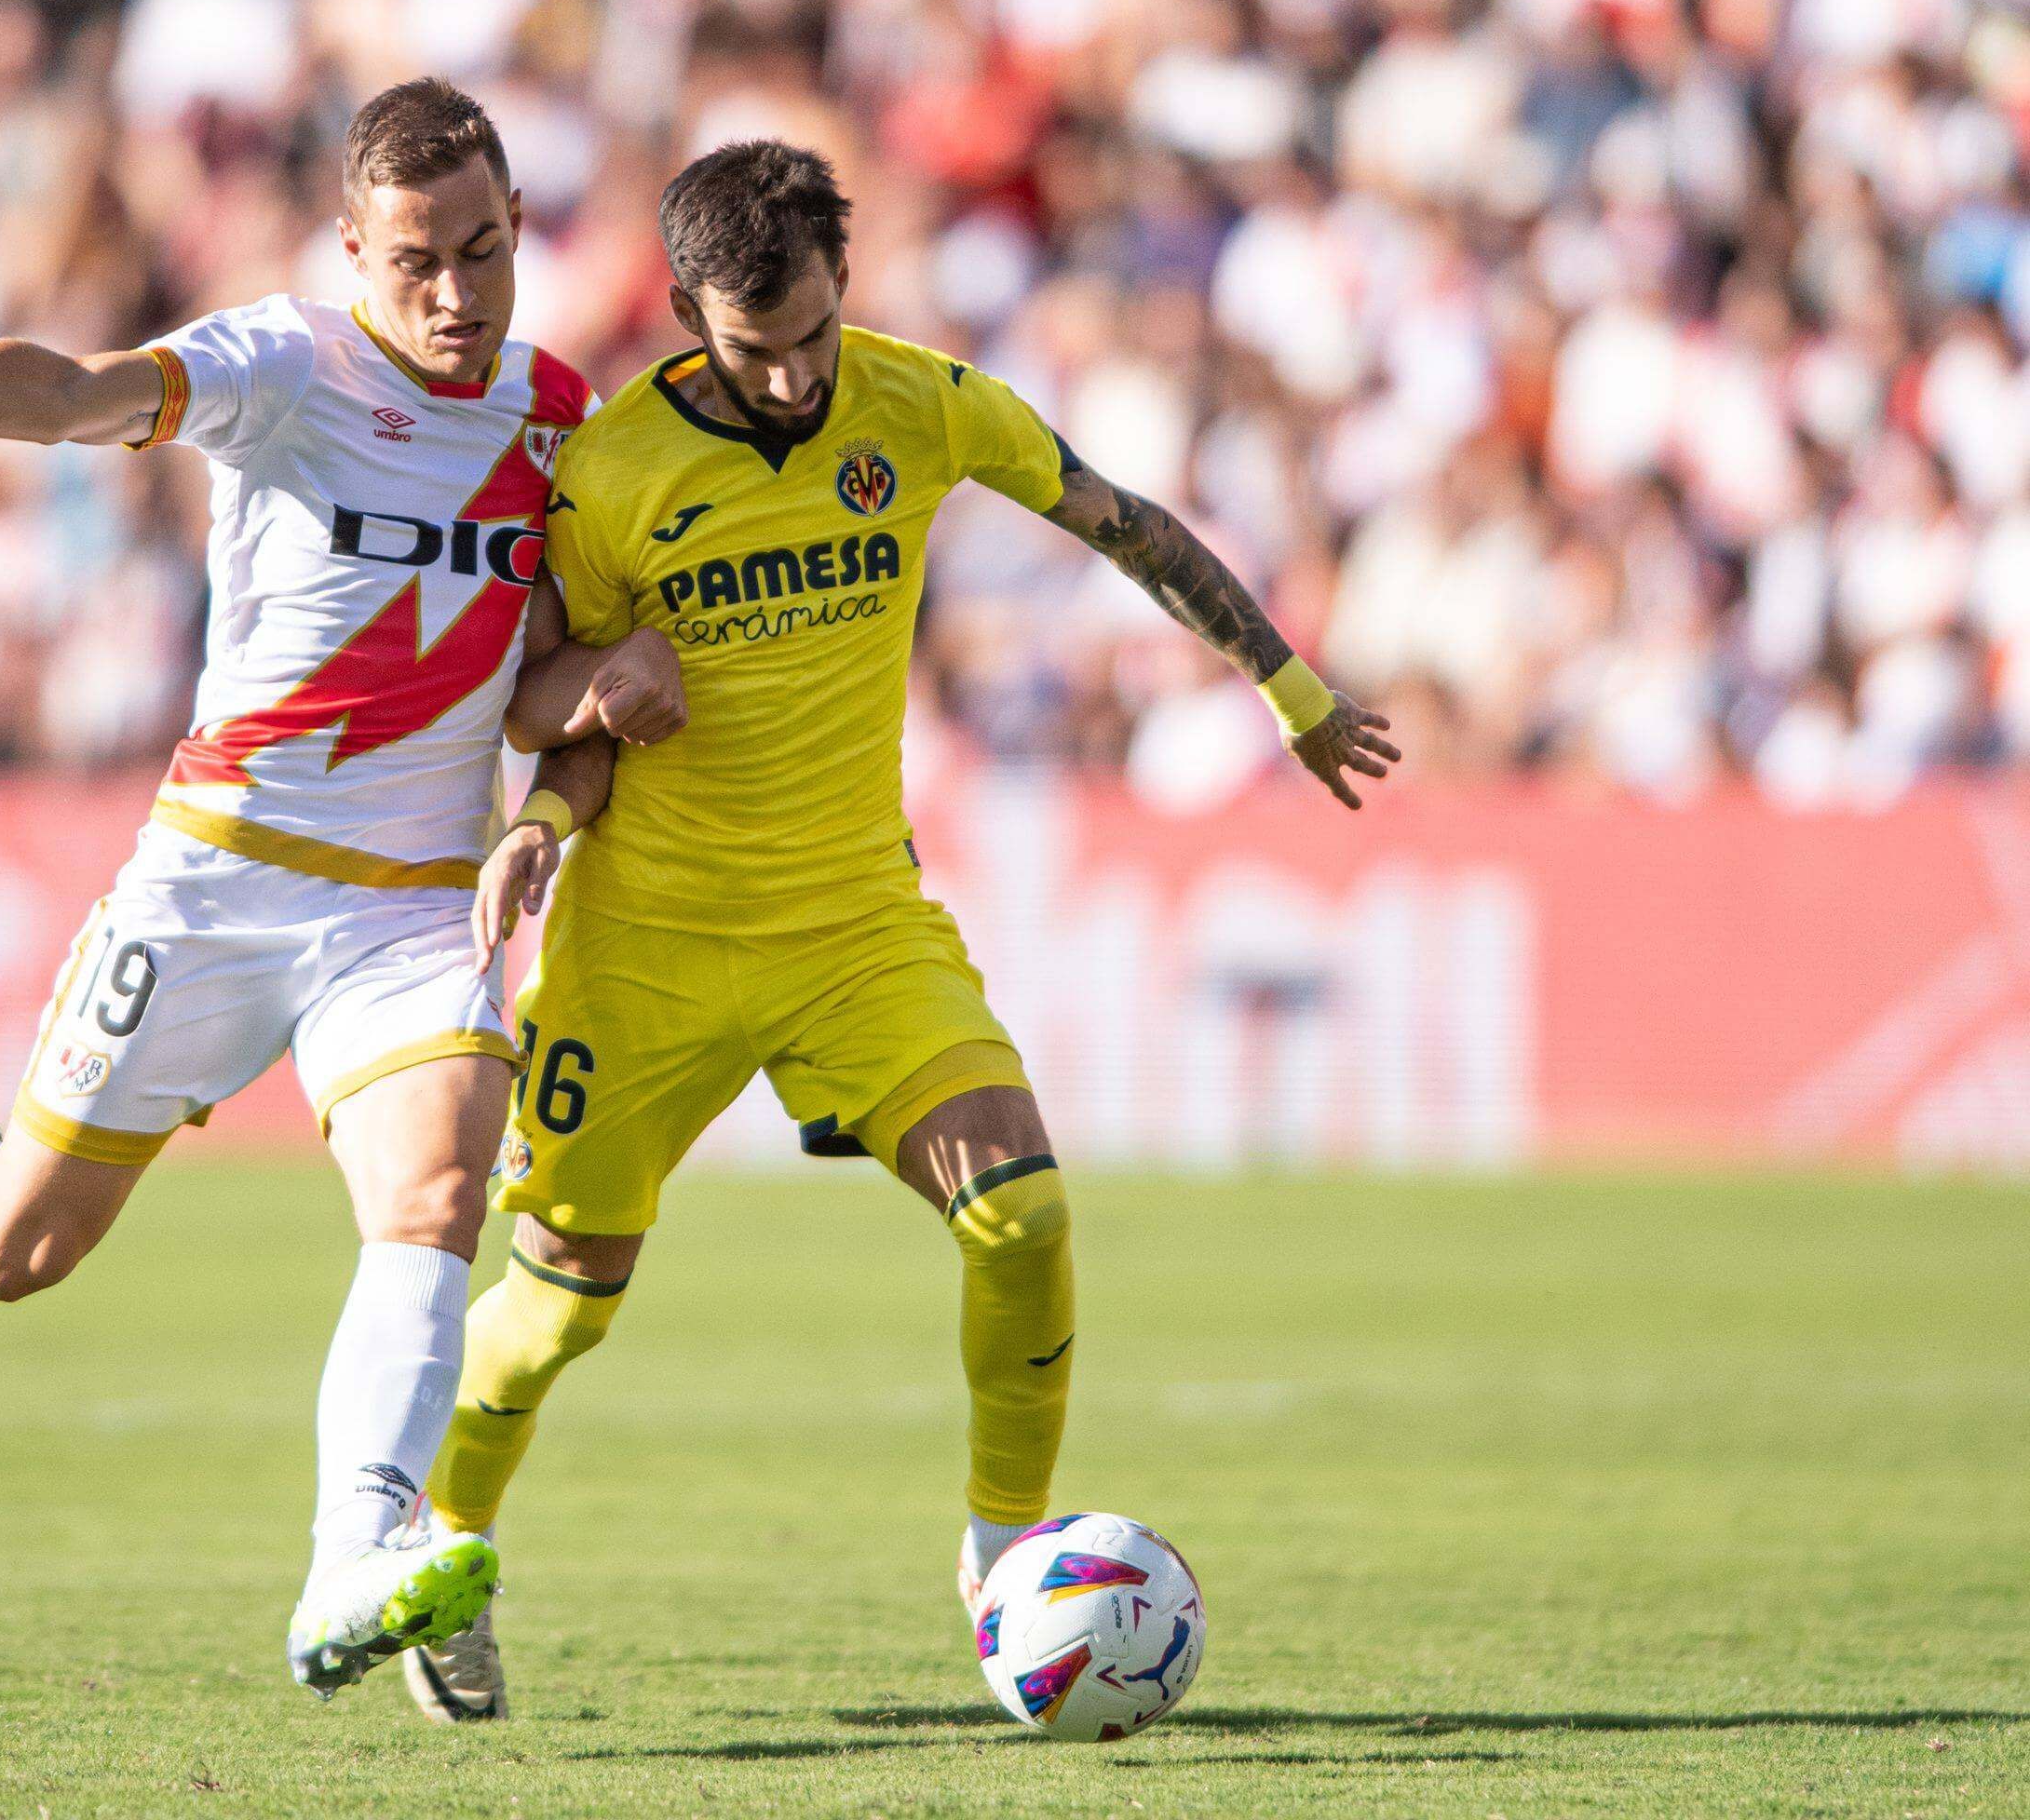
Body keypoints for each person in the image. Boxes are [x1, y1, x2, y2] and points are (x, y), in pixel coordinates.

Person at [399, 140, 1397, 1724]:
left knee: (1026, 1217)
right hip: (646, 943)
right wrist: (547, 800)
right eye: (757, 349)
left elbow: (1125, 523)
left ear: (842, 286)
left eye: (814, 334)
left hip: (857, 923)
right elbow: (545, 706)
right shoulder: (613, 472)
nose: (796, 378)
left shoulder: (920, 403)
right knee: (556, 1312)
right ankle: (440, 1549)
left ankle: (1007, 1561)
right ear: (690, 316)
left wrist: (1289, 688)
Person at [0, 78, 680, 1699]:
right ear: (353, 252)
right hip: (216, 886)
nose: (457, 293)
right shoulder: (282, 365)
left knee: (437, 1197)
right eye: (419, 260)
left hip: (411, 906)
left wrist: (612, 677)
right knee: (20, 1252)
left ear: (522, 229)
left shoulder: (558, 418)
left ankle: (356, 1557)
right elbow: (68, 392)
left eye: (485, 250)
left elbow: (524, 688)